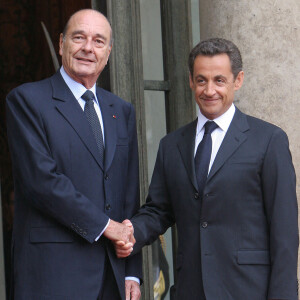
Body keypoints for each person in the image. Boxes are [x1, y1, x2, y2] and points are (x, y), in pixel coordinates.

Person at [114, 38, 299, 300]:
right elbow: (158, 211)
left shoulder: (269, 140)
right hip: (190, 291)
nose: (209, 90)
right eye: (201, 80)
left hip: (249, 292)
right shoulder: (172, 145)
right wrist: (129, 232)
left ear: (238, 80)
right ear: (191, 81)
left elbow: (285, 232)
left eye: (219, 80)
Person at [6, 9, 142, 300]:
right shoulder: (27, 101)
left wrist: (132, 271)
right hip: (54, 276)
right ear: (61, 44)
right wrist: (106, 227)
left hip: (113, 277)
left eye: (98, 41)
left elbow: (128, 194)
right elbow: (42, 182)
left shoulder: (121, 110)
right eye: (78, 38)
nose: (87, 48)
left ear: (108, 51)